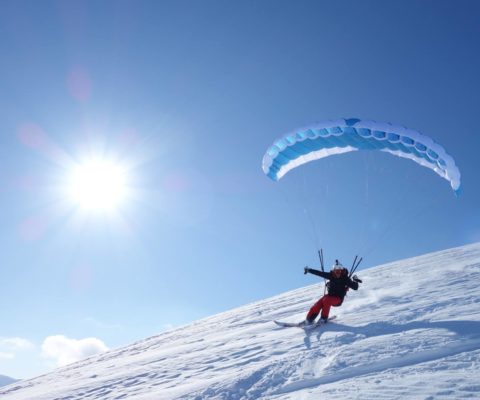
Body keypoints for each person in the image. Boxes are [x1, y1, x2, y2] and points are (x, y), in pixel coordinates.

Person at [303, 260, 362, 324]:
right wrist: (309, 270)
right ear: (333, 271)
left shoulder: (345, 279)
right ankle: (309, 319)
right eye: (336, 271)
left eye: (339, 271)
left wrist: (355, 280)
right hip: (329, 296)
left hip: (338, 299)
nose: (337, 273)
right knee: (318, 304)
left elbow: (355, 287)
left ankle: (323, 318)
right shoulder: (331, 275)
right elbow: (319, 273)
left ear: (341, 271)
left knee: (326, 300)